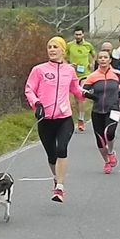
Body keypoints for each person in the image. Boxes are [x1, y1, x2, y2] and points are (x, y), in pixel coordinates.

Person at [25, 36, 88, 203]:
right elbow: (29, 89)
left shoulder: (69, 70)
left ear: (62, 50)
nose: (52, 50)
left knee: (62, 149)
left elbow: (76, 89)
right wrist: (36, 103)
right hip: (45, 119)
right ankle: (56, 178)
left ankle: (59, 187)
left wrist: (87, 94)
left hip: (64, 118)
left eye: (55, 47)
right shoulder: (39, 70)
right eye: (49, 47)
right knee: (52, 156)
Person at [82, 50, 120, 174]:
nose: (103, 59)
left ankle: (111, 152)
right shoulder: (93, 76)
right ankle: (106, 161)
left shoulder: (117, 74)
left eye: (105, 57)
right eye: (100, 57)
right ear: (97, 60)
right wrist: (92, 96)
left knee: (109, 133)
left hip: (113, 108)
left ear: (109, 60)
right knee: (100, 140)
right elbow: (82, 90)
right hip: (97, 110)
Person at [65, 26, 96, 132]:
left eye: (80, 34)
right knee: (73, 99)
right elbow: (63, 57)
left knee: (80, 96)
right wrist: (68, 64)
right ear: (74, 35)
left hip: (85, 74)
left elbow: (94, 55)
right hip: (72, 75)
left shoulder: (88, 45)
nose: (78, 36)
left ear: (83, 35)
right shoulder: (69, 45)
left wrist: (92, 63)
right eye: (76, 34)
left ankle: (81, 120)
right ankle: (75, 118)